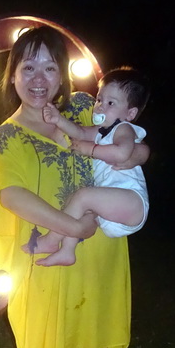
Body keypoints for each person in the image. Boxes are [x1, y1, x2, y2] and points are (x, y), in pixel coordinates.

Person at [0, 27, 148, 348]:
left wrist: (138, 155)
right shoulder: (8, 136)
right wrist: (72, 228)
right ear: (13, 75)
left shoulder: (81, 108)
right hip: (51, 255)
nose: (39, 78)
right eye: (28, 66)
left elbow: (129, 136)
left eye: (50, 67)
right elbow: (12, 195)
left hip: (102, 256)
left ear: (62, 76)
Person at [26, 67, 150, 266]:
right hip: (111, 213)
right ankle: (67, 250)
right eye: (99, 99)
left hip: (131, 200)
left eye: (111, 103)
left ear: (130, 113)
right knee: (81, 204)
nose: (100, 106)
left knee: (83, 196)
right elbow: (80, 132)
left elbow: (122, 153)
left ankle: (51, 240)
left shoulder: (123, 128)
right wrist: (58, 120)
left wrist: (90, 149)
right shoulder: (102, 132)